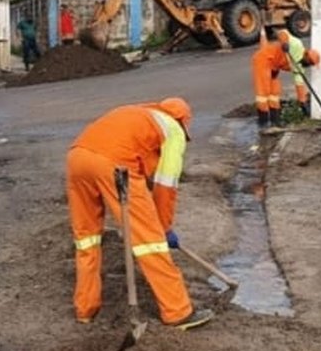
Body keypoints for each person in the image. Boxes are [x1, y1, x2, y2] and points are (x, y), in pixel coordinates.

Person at [66, 97, 214, 331]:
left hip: (77, 158)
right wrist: (163, 229)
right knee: (150, 242)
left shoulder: (140, 114)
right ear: (184, 122)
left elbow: (143, 167)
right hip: (114, 165)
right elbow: (166, 186)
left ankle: (85, 309)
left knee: (87, 239)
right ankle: (178, 312)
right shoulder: (173, 130)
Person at [251, 28, 321, 128]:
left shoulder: (300, 68)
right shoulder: (297, 44)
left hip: (273, 66)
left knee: (274, 93)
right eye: (309, 62)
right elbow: (283, 32)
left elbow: (299, 85)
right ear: (306, 54)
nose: (308, 65)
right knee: (263, 92)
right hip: (263, 60)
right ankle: (264, 122)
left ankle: (275, 122)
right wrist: (284, 43)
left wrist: (303, 103)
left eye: (311, 65)